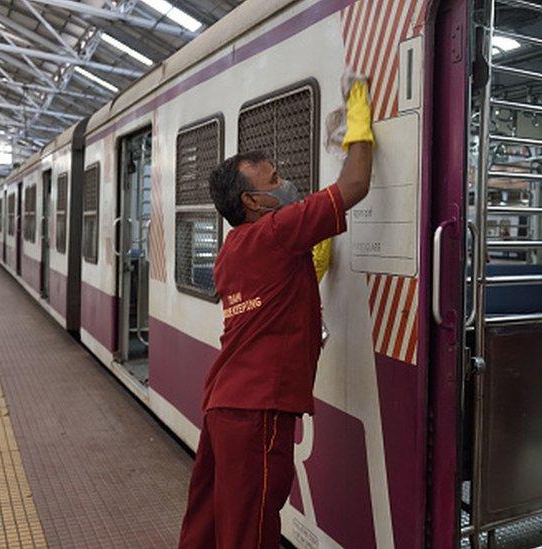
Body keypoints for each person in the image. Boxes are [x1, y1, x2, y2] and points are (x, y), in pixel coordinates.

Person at [178, 80, 374, 548]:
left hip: (225, 405)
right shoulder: (277, 233)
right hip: (259, 412)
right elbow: (355, 184)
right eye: (273, 180)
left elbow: (271, 295)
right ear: (251, 200)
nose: (284, 183)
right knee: (252, 532)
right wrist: (359, 125)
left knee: (210, 522)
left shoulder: (232, 252)